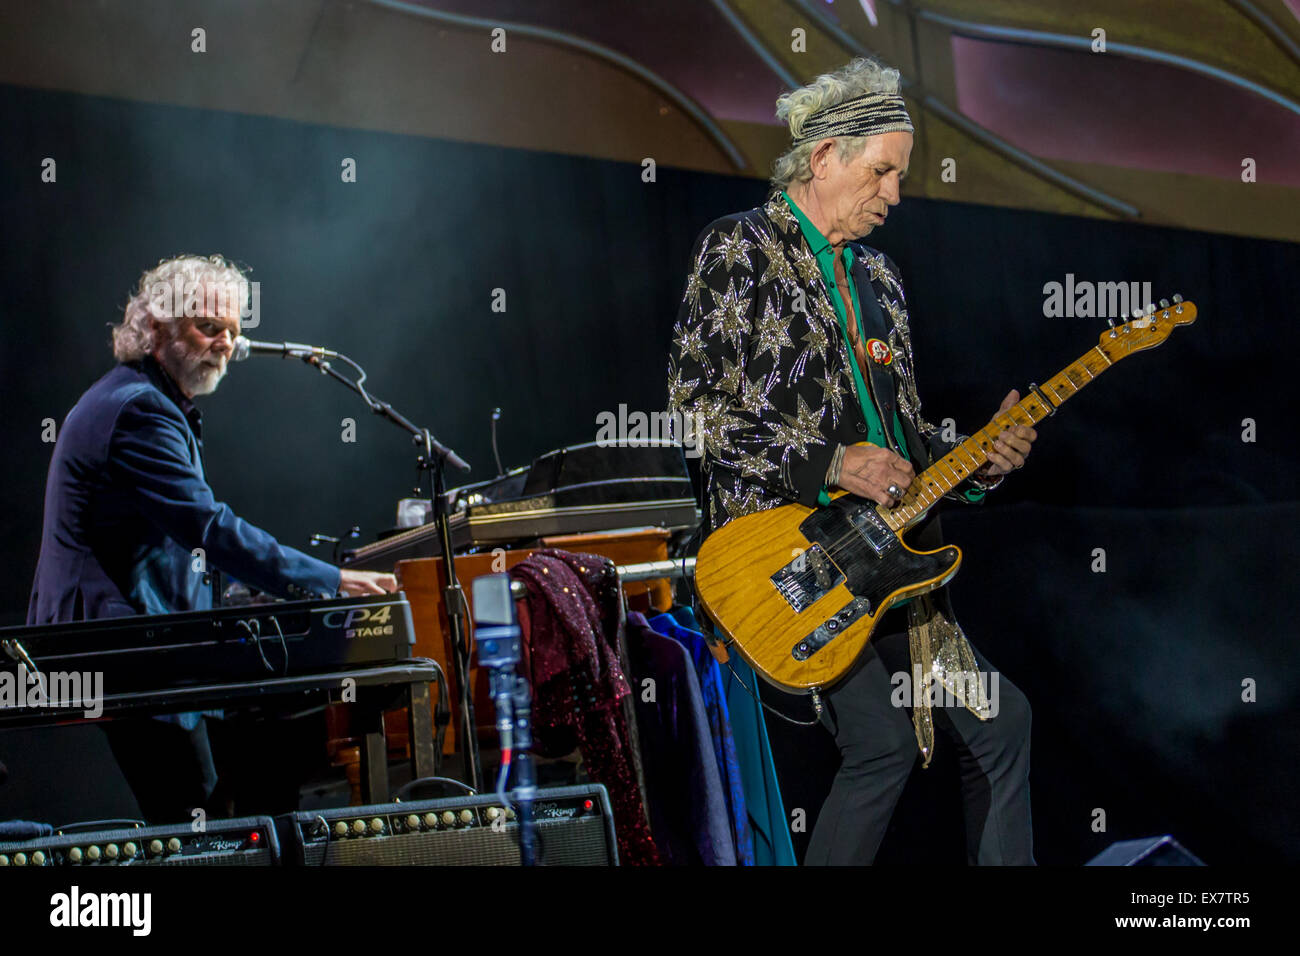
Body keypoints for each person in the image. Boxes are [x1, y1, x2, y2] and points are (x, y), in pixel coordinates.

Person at [668, 59, 1038, 864]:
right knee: (882, 742)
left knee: (1002, 724)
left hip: (885, 558)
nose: (895, 195)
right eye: (883, 172)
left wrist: (982, 462)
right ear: (824, 156)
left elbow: (902, 450)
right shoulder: (740, 247)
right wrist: (830, 465)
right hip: (788, 558)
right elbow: (694, 418)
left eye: (900, 177)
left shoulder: (881, 278)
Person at [27, 253, 396, 822]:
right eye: (208, 327)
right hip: (115, 642)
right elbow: (207, 526)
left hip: (131, 634)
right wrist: (326, 580)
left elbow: (173, 542)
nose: (225, 343)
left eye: (233, 330)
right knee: (193, 813)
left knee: (209, 798)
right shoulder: (138, 410)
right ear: (156, 329)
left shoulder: (149, 399)